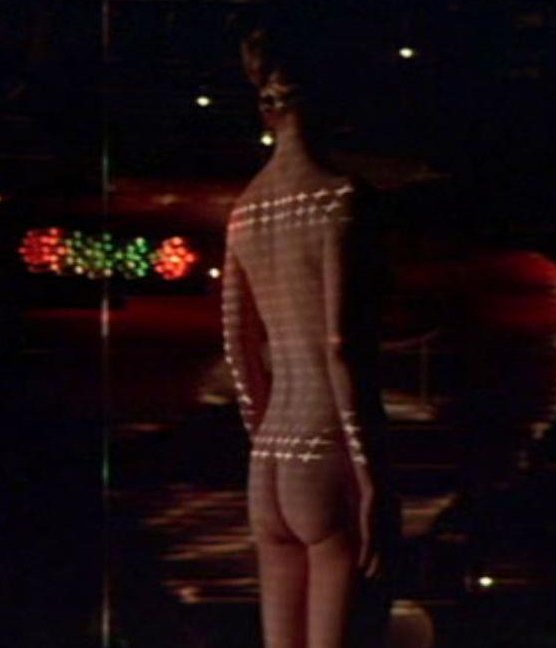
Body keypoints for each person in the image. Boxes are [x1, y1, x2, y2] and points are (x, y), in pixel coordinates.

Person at [222, 25, 395, 648]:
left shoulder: (245, 209)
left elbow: (238, 348)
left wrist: (262, 434)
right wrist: (370, 475)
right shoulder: (340, 199)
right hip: (328, 448)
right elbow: (341, 345)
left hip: (270, 455)